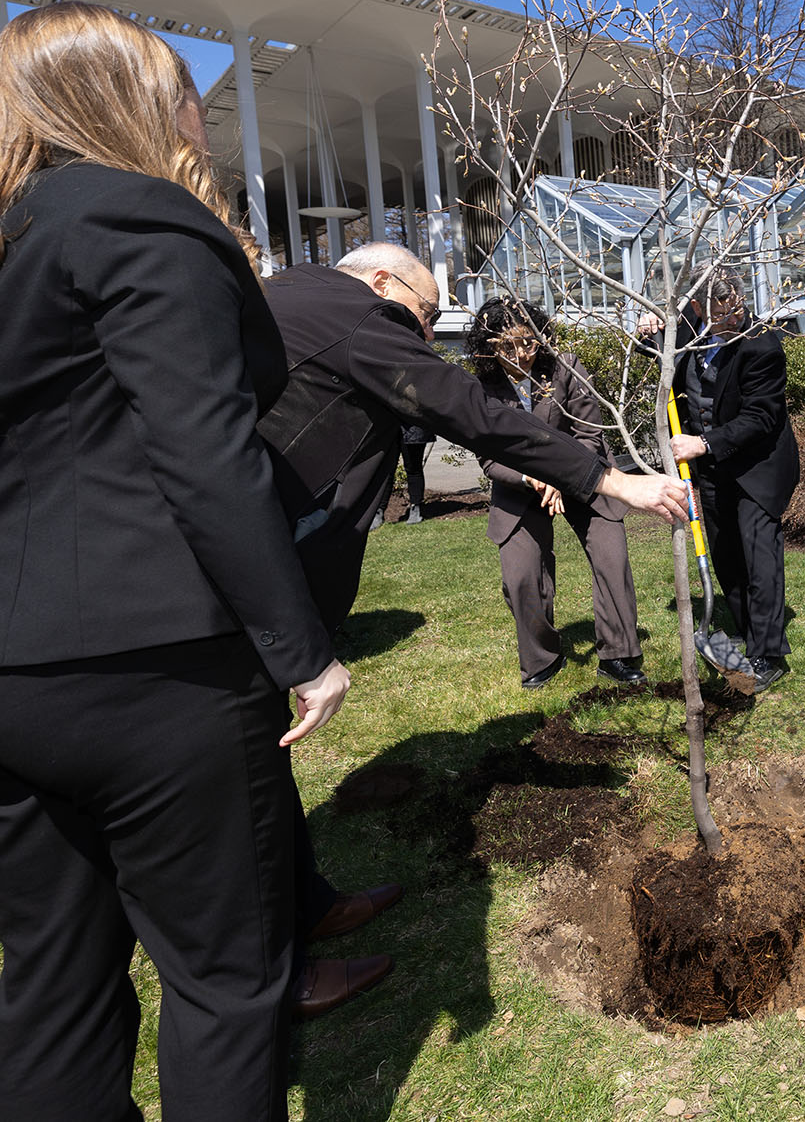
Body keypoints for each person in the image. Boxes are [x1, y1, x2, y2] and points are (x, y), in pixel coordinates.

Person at [0, 2, 351, 1120]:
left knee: (52, 983)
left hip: (15, 675)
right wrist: (303, 650)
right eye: (185, 85)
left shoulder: (17, 238)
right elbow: (202, 452)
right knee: (224, 981)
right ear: (126, 99)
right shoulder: (138, 218)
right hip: (160, 665)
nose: (202, 109)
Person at [256, 241, 688, 1008]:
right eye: (424, 316)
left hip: (261, 587)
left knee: (260, 758)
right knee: (242, 775)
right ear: (383, 283)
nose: (423, 337)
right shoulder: (353, 313)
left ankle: (309, 905)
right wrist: (608, 475)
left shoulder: (291, 297)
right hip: (240, 592)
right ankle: (270, 966)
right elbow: (470, 413)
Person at [468, 296, 649, 689]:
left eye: (529, 342)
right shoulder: (481, 389)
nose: (521, 354)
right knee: (520, 577)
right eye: (508, 346)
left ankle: (619, 654)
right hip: (520, 487)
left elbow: (589, 435)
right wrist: (533, 479)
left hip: (586, 477)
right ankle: (541, 657)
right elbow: (488, 458)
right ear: (489, 347)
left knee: (611, 558)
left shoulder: (565, 367)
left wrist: (559, 477)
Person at [643, 273, 801, 692]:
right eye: (720, 310)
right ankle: (747, 634)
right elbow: (661, 358)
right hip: (713, 470)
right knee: (726, 554)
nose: (733, 315)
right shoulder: (690, 334)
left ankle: (768, 653)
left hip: (758, 468)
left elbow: (762, 416)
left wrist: (704, 442)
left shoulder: (761, 343)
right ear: (697, 309)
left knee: (758, 554)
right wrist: (647, 332)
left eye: (736, 305)